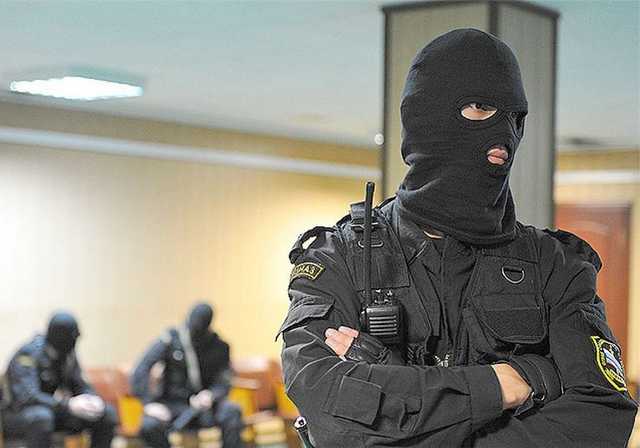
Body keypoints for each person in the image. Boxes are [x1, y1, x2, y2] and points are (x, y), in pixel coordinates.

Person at [278, 28, 638, 447]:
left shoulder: (555, 265)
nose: (504, 134)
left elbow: (599, 419)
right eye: (481, 107)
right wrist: (503, 384)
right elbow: (331, 414)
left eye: (515, 117)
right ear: (426, 117)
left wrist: (393, 384)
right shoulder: (338, 258)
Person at [131, 302, 244, 448]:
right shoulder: (171, 340)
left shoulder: (219, 347)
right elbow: (141, 370)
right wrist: (149, 403)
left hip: (205, 406)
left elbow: (224, 381)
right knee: (149, 425)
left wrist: (211, 395)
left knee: (232, 411)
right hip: (173, 405)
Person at [2, 312, 117, 448]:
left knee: (106, 413)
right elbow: (28, 397)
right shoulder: (28, 355)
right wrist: (68, 405)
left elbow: (79, 384)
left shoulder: (67, 354)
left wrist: (91, 399)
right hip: (17, 414)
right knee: (42, 417)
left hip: (52, 409)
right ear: (61, 338)